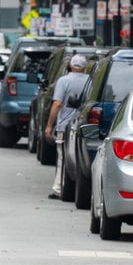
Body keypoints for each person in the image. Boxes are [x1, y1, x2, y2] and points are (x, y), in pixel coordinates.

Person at [45, 53, 89, 199]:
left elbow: (57, 103)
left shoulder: (63, 81)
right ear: (85, 67)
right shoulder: (91, 81)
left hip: (64, 126)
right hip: (83, 126)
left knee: (62, 159)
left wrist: (49, 125)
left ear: (70, 65)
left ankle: (58, 188)